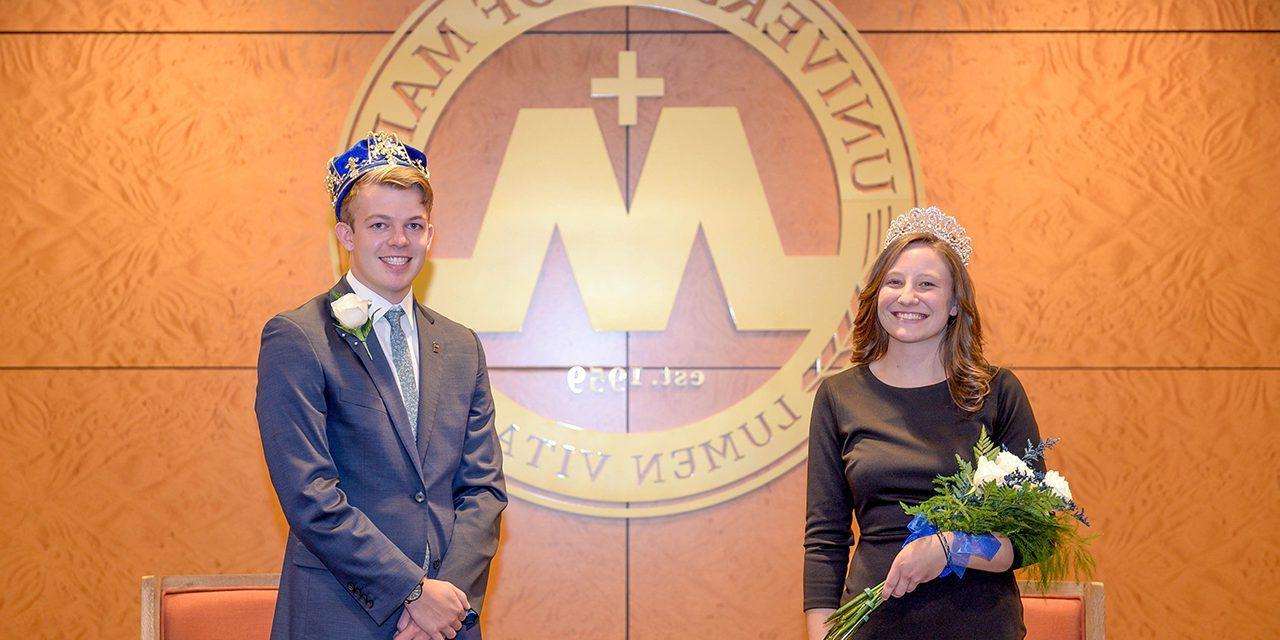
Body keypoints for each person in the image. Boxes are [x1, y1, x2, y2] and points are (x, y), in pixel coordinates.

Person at [256, 132, 506, 640]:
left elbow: (482, 489)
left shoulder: (461, 346)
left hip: (447, 624)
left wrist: (444, 602)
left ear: (430, 235)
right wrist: (411, 591)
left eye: (413, 225)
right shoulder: (299, 337)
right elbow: (310, 495)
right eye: (380, 225)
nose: (399, 241)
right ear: (345, 235)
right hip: (340, 616)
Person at [803, 206, 1042, 640]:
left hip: (980, 626)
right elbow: (825, 540)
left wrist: (951, 548)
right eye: (894, 282)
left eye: (926, 284)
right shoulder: (839, 396)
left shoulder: (997, 392)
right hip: (873, 626)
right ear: (877, 295)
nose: (907, 297)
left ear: (954, 303)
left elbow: (1031, 539)